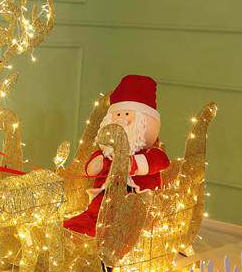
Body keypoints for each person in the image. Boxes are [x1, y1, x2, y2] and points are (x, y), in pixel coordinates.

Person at [64, 74, 170, 240]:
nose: (121, 120)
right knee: (95, 214)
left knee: (124, 222)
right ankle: (88, 226)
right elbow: (94, 168)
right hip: (104, 201)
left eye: (127, 114)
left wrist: (131, 163)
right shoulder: (109, 153)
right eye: (118, 114)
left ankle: (110, 235)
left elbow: (161, 161)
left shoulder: (151, 153)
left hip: (136, 204)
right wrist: (98, 163)